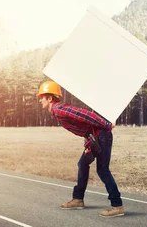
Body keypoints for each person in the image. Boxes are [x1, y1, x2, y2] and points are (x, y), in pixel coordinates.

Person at [37, 80, 124, 218]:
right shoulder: (56, 111)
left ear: (49, 98)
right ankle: (78, 200)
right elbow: (82, 124)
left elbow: (85, 115)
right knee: (82, 164)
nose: (40, 100)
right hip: (94, 137)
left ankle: (117, 206)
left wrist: (106, 125)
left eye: (41, 97)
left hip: (101, 135)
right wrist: (87, 138)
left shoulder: (59, 109)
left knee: (102, 170)